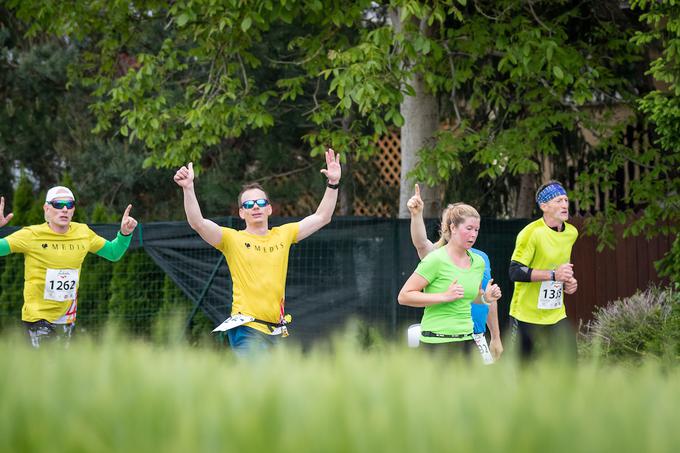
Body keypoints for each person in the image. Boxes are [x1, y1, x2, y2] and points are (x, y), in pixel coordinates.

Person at [173, 149, 341, 355]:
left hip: (276, 330)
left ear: (269, 209)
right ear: (241, 213)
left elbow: (322, 217)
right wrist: (188, 189)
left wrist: (333, 184)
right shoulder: (232, 239)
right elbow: (198, 223)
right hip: (246, 328)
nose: (256, 207)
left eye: (261, 203)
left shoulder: (284, 234)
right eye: (249, 204)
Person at [0, 186, 138, 347]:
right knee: (47, 364)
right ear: (46, 208)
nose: (64, 209)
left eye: (69, 204)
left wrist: (125, 234)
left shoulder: (83, 233)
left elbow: (113, 253)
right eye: (58, 204)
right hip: (38, 317)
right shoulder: (31, 235)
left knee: (61, 368)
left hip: (67, 316)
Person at [406, 184, 503, 362]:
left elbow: (473, 296)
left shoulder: (479, 261)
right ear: (452, 227)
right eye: (469, 229)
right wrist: (416, 215)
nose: (473, 234)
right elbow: (405, 296)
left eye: (477, 230)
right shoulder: (435, 256)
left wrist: (486, 298)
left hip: (471, 338)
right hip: (437, 341)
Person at [508, 180, 578, 360]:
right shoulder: (531, 233)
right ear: (544, 206)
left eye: (566, 200)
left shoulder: (571, 233)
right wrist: (554, 275)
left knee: (569, 365)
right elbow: (515, 271)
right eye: (558, 201)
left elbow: (561, 268)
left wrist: (568, 283)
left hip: (555, 315)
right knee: (524, 373)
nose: (565, 205)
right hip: (526, 316)